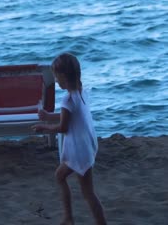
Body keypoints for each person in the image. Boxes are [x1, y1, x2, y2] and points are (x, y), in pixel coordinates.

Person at [32, 53, 107, 225]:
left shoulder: (67, 99)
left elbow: (63, 127)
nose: (56, 81)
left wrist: (45, 127)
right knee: (64, 178)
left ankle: (70, 218)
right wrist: (48, 116)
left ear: (64, 77)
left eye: (57, 77)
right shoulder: (80, 93)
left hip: (79, 151)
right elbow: (68, 117)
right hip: (87, 146)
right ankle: (69, 217)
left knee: (87, 192)